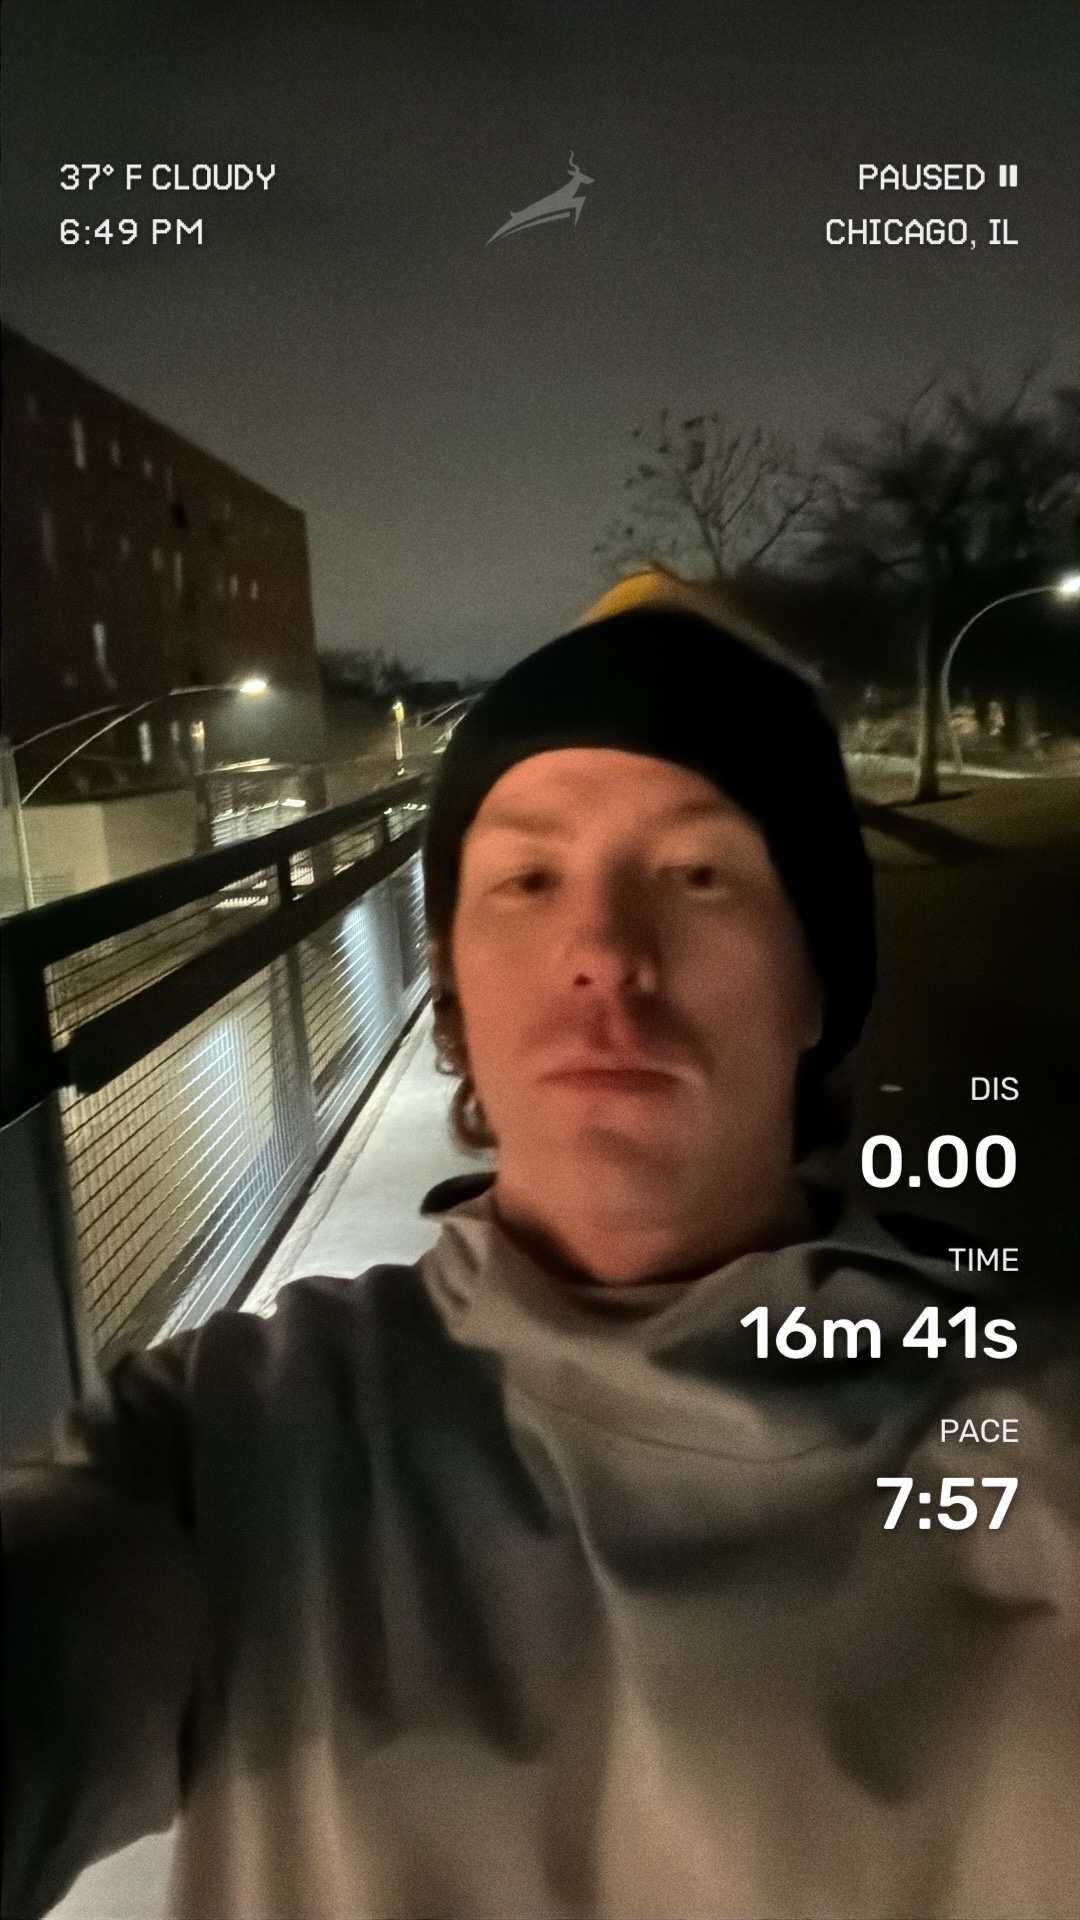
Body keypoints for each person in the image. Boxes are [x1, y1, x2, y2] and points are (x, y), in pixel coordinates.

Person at [3, 602, 1079, 1920]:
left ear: (819, 978)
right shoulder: (237, 1446)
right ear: (451, 990)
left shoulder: (1035, 1437)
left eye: (699, 874)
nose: (606, 956)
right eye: (526, 880)